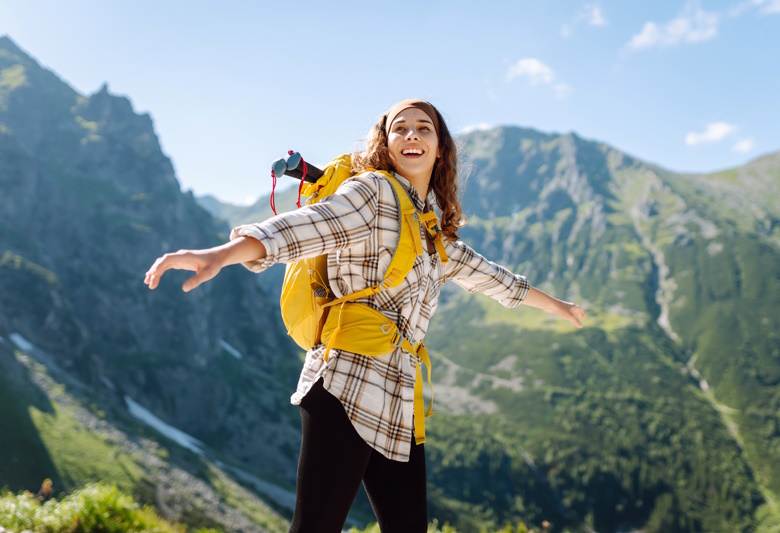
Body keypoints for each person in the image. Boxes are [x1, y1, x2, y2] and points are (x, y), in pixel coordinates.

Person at [144, 99, 585, 533]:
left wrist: (558, 307)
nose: (412, 134)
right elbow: (304, 228)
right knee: (316, 527)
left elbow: (494, 278)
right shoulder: (371, 192)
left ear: (440, 148)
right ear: (387, 142)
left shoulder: (434, 229)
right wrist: (221, 255)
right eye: (401, 128)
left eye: (424, 128)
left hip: (399, 395)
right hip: (345, 381)